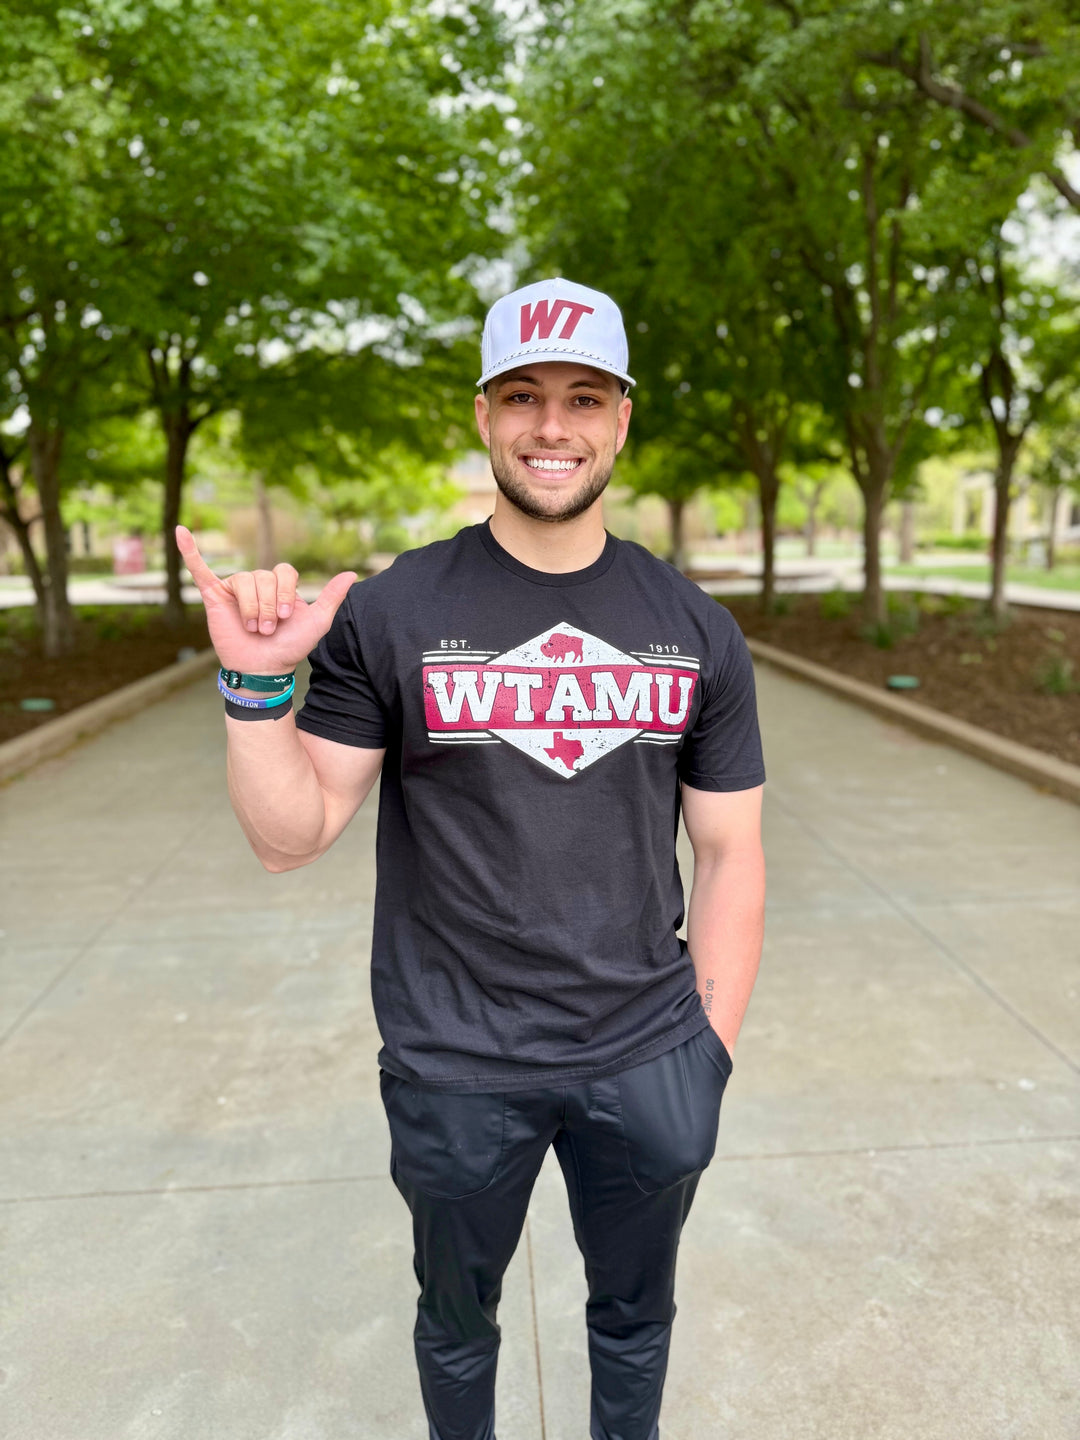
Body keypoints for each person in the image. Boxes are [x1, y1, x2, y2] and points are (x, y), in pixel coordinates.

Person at [178, 276, 766, 1440]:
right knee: (457, 1324)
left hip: (646, 1055)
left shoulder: (695, 626)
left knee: (634, 1319)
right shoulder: (395, 611)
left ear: (621, 420)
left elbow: (731, 849)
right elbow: (290, 839)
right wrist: (257, 687)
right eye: (525, 396)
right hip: (457, 1062)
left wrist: (707, 1058)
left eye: (583, 397)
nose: (554, 427)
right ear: (484, 415)